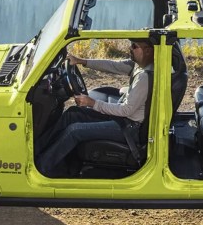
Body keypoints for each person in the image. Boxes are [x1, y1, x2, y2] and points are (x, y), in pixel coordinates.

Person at [36, 38, 155, 177]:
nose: (130, 48)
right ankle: (38, 149)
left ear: (148, 51)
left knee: (74, 131)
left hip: (129, 127)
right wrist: (82, 61)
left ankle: (40, 169)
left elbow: (126, 110)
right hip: (124, 118)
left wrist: (92, 103)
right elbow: (113, 65)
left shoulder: (145, 77)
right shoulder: (138, 66)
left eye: (134, 46)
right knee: (72, 113)